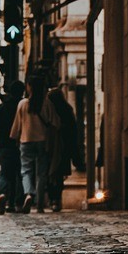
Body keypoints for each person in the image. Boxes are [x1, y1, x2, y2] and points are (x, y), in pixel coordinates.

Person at [39, 85, 83, 213]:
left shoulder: (47, 112)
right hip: (64, 149)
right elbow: (74, 132)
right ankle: (56, 200)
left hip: (49, 147)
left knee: (48, 173)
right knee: (58, 176)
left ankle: (51, 199)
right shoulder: (67, 110)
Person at [9, 80, 50, 213]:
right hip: (42, 141)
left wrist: (15, 137)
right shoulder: (46, 103)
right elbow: (55, 121)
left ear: (29, 88)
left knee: (26, 170)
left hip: (26, 140)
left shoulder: (22, 104)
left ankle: (29, 193)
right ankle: (39, 205)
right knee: (41, 173)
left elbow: (17, 125)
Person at [0, 81, 24, 215]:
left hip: (4, 146)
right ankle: (17, 203)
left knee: (4, 174)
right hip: (20, 144)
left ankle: (2, 195)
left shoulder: (0, 108)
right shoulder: (22, 106)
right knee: (19, 174)